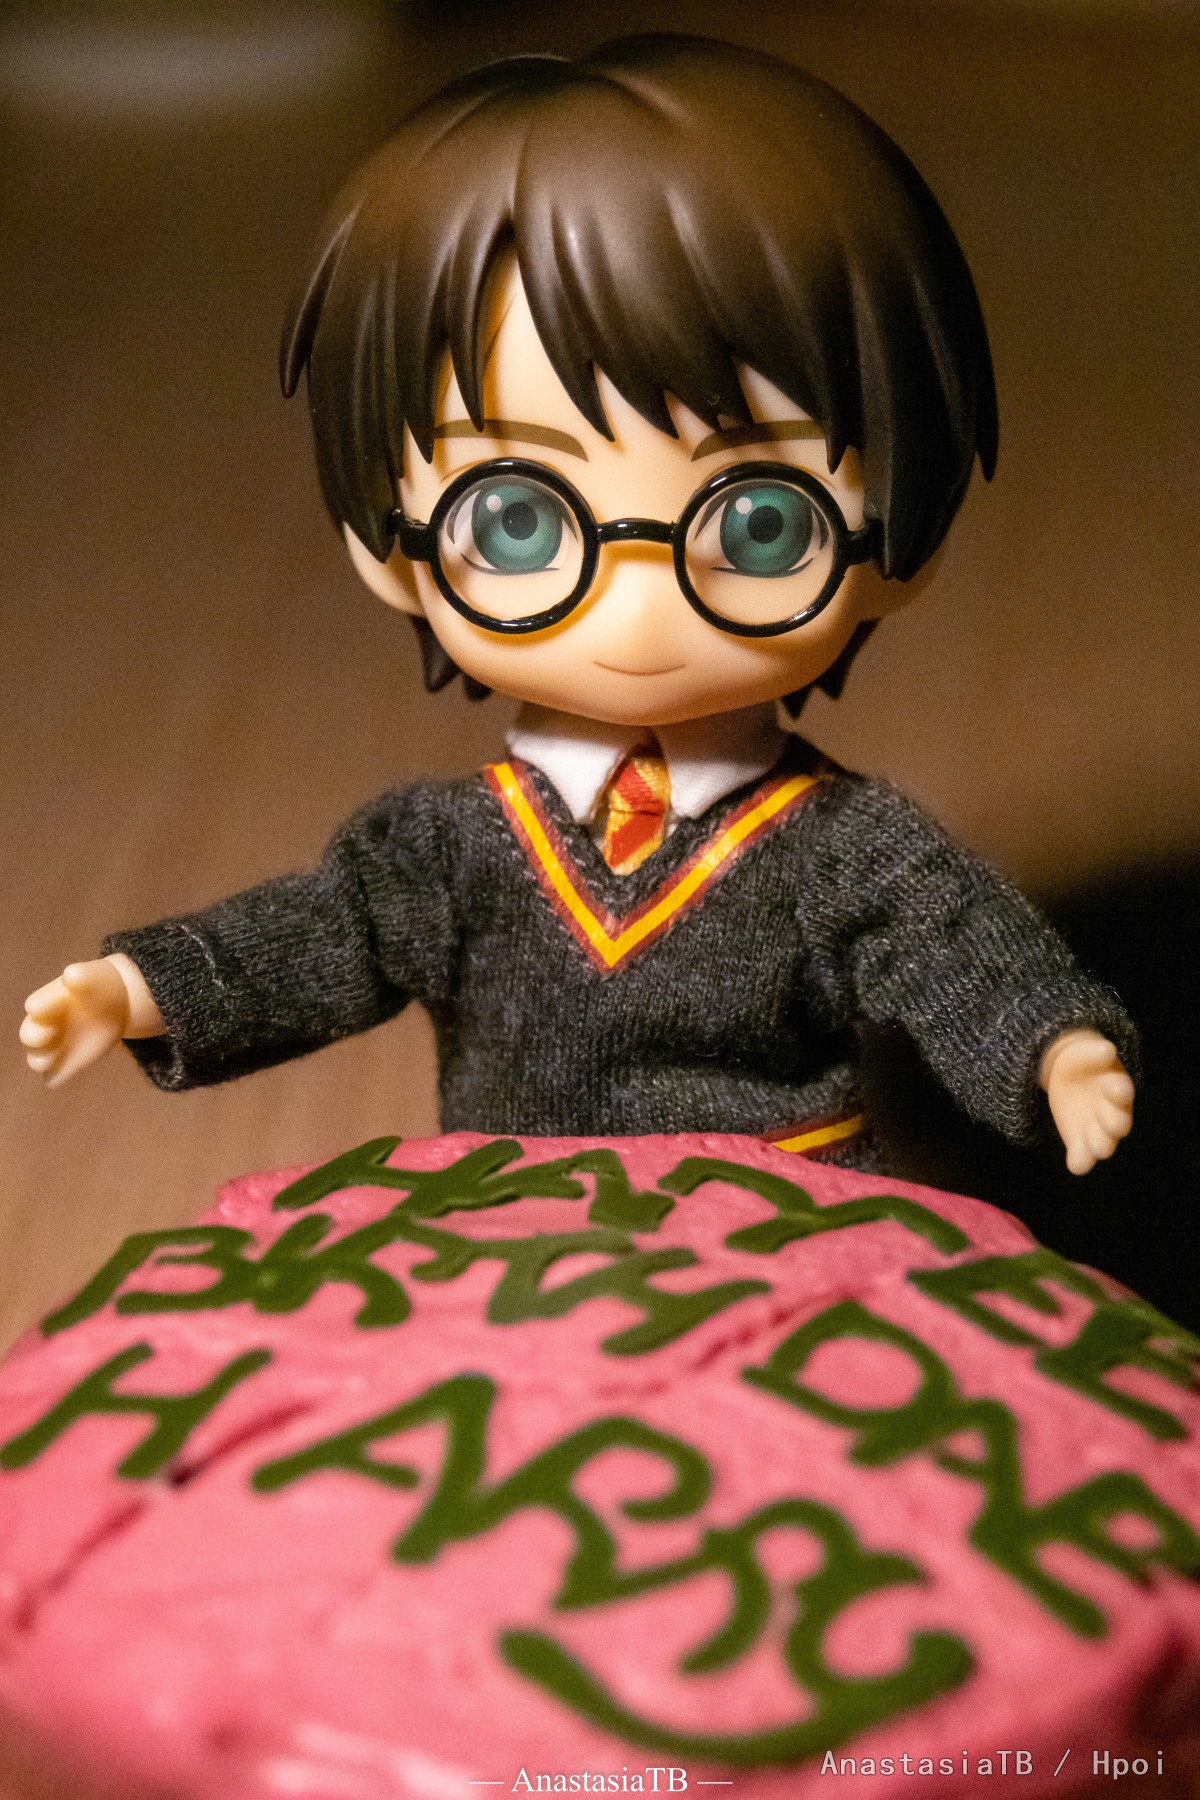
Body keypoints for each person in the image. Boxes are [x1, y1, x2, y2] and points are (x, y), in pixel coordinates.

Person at [19, 35, 1135, 1175]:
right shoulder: (447, 851)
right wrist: (147, 987)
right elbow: (327, 933)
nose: (638, 607)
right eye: (520, 522)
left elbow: (952, 945)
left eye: (761, 523)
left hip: (788, 1219)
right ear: (388, 546)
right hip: (517, 1231)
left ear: (901, 540)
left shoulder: (845, 852)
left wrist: (1054, 1048)